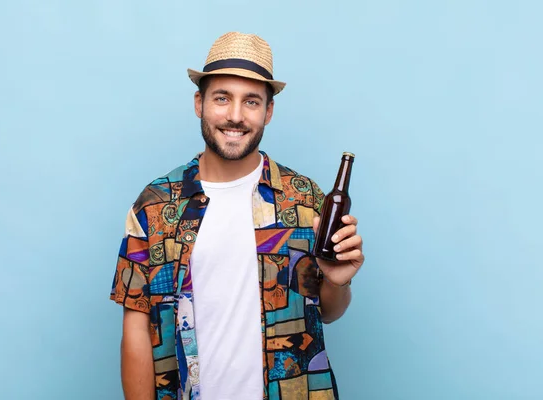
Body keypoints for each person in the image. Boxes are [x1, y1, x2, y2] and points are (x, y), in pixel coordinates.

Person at [109, 31, 365, 400]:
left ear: (268, 111)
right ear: (199, 103)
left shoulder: (306, 201)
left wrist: (338, 282)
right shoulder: (155, 206)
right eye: (222, 98)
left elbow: (327, 313)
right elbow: (135, 328)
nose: (235, 116)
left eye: (251, 102)